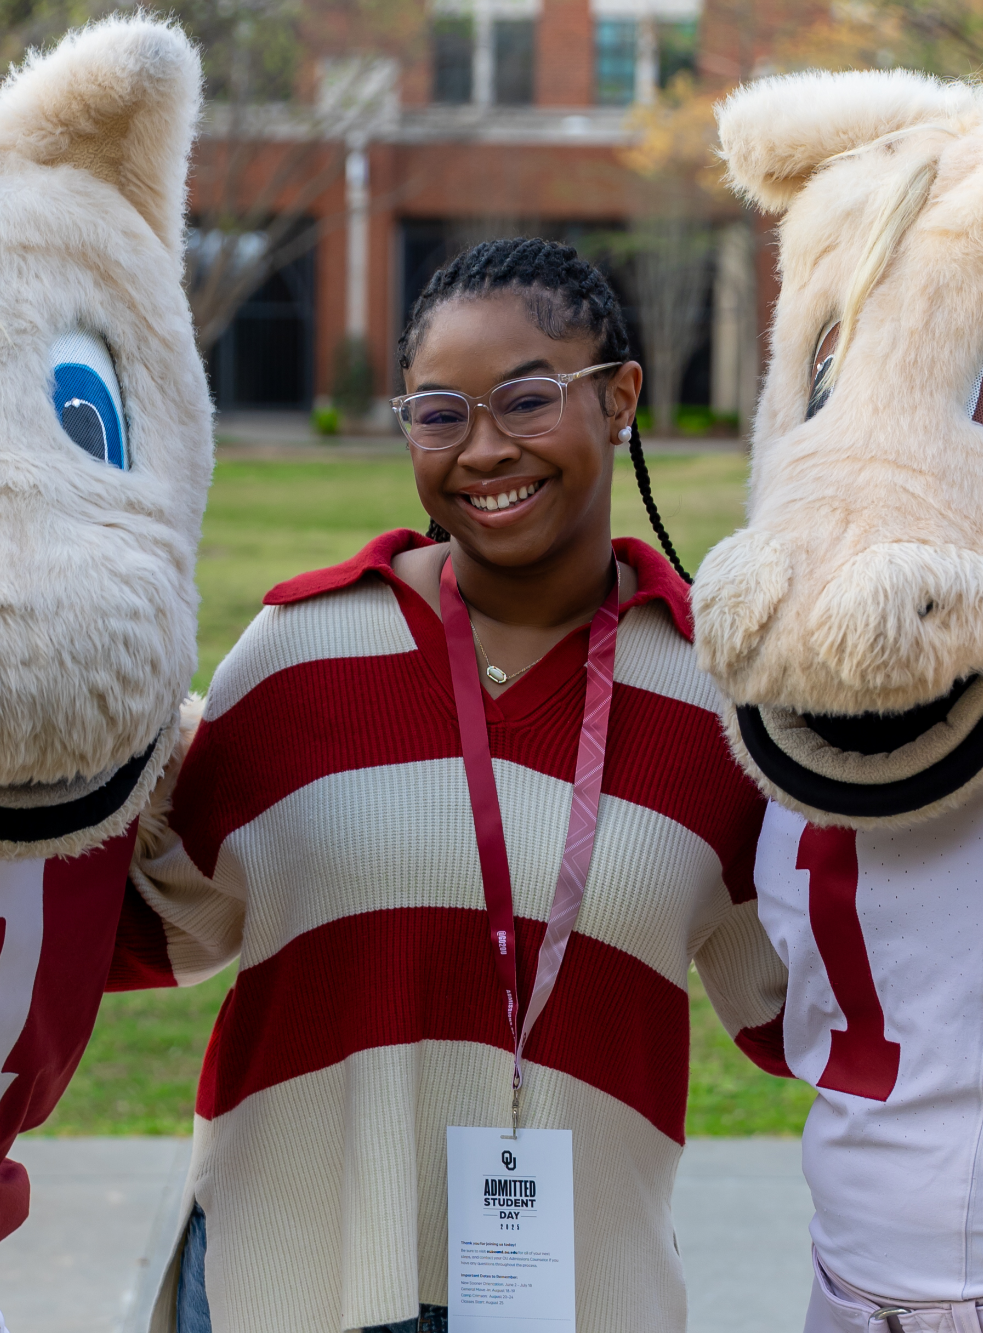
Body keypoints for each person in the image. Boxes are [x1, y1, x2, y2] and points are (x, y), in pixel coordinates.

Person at [116, 238, 790, 1333]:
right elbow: (151, 929)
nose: (483, 449)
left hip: (576, 1300)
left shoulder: (721, 701)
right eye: (438, 413)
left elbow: (800, 1008)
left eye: (526, 399)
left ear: (619, 398)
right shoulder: (297, 653)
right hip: (284, 1287)